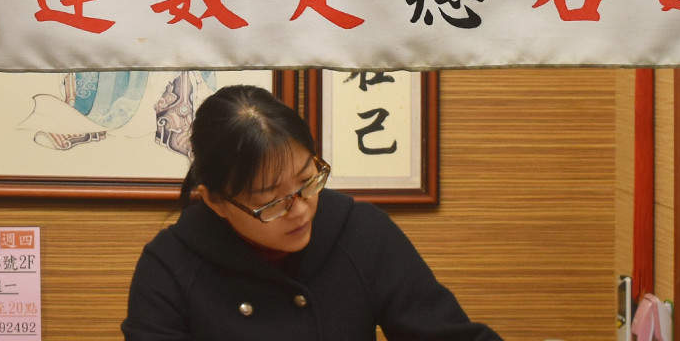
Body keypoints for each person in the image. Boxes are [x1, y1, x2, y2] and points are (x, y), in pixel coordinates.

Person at [122, 85, 502, 341]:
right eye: (271, 201)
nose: (300, 209)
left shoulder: (361, 232)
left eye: (307, 181)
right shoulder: (169, 266)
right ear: (215, 202)